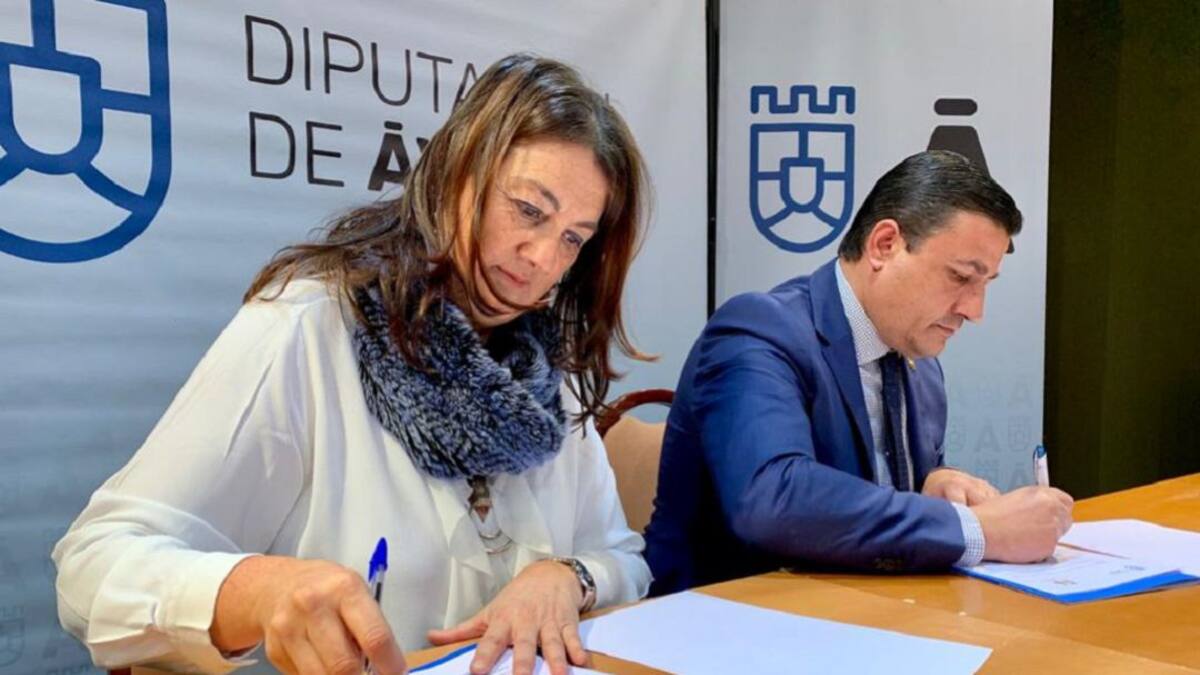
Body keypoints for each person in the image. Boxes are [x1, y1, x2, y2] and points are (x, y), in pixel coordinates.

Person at [53, 54, 652, 675]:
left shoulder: (547, 377)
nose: (543, 257)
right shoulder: (309, 327)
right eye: (528, 210)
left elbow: (623, 558)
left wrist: (568, 577)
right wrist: (256, 592)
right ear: (457, 172)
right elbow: (93, 566)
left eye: (573, 238)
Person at [643, 150, 1074, 596]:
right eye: (962, 277)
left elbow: (877, 510)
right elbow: (772, 498)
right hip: (727, 615)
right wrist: (975, 529)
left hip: (864, 609)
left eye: (985, 285)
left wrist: (933, 487)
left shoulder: (922, 365)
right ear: (884, 245)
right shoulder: (760, 330)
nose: (975, 310)